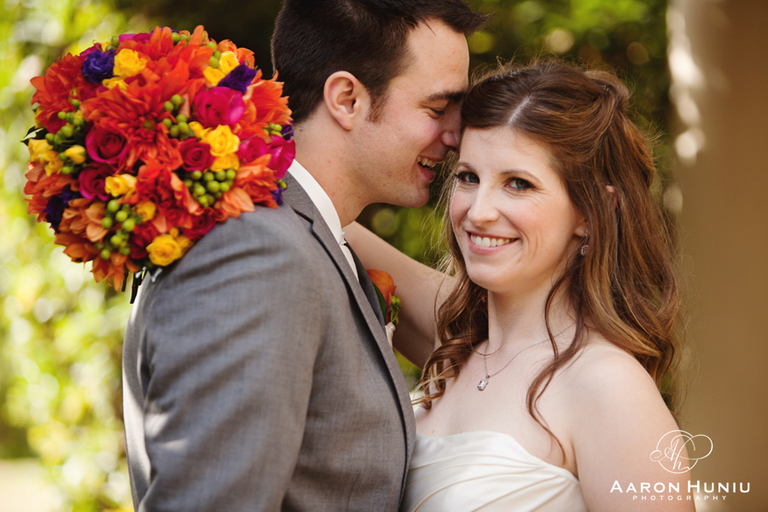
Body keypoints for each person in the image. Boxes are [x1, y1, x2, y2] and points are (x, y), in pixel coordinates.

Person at [121, 1, 486, 510]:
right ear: (346, 99)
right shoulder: (259, 252)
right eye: (436, 108)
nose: (454, 136)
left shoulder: (306, 235)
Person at [345, 60, 693, 511]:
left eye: (518, 184)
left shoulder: (607, 386)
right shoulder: (459, 338)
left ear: (590, 213)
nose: (479, 211)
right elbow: (328, 216)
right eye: (469, 177)